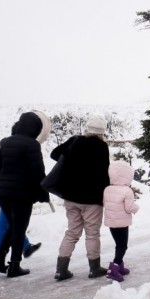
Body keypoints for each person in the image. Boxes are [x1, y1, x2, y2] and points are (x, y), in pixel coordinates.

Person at [0, 109, 49, 272]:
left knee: (13, 225)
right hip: (21, 194)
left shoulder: (6, 142)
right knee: (19, 228)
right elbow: (37, 171)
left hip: (3, 192)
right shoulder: (32, 144)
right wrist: (43, 192)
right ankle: (15, 265)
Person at [52, 116, 111, 281]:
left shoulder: (74, 141)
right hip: (91, 198)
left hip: (71, 196)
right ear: (102, 132)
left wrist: (72, 160)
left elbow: (54, 154)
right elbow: (104, 173)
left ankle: (61, 269)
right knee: (92, 233)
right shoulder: (101, 147)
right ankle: (94, 268)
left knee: (71, 232)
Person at [103, 160, 140, 282]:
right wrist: (136, 208)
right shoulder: (127, 191)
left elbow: (105, 204)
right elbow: (129, 208)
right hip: (122, 223)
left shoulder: (107, 189)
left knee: (118, 244)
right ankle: (114, 268)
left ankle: (120, 267)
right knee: (123, 246)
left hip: (111, 223)